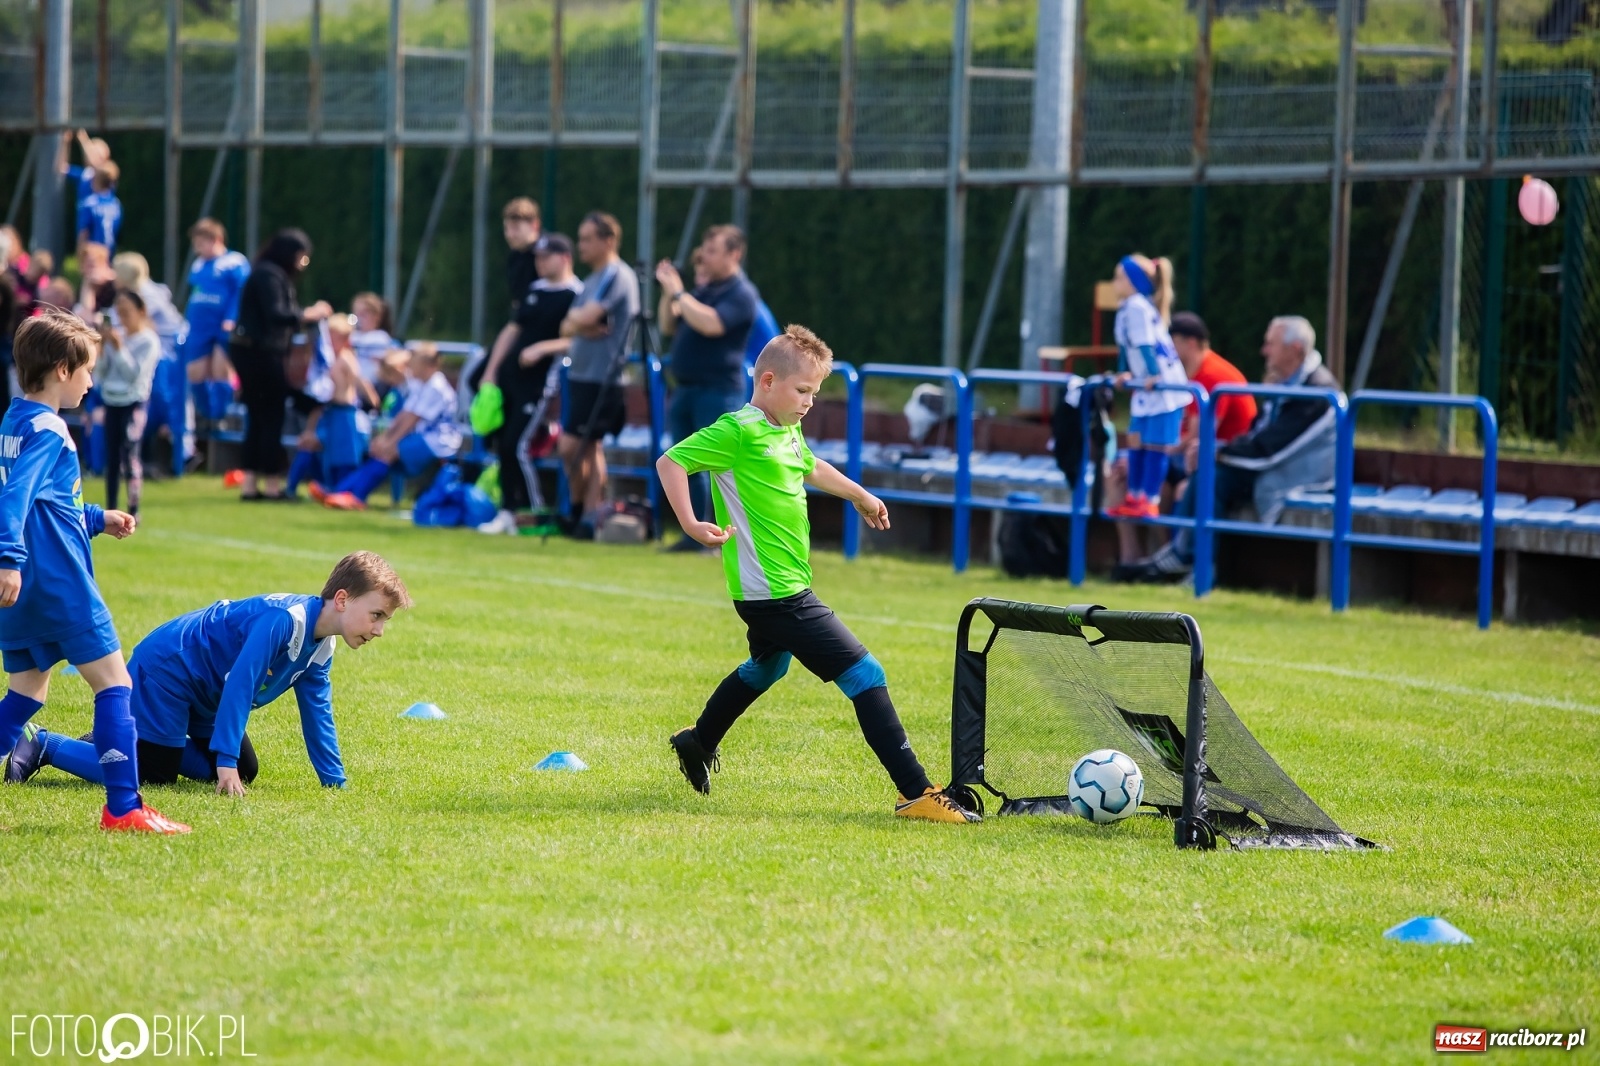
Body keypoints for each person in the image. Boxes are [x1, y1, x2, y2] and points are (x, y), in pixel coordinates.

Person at [655, 324, 981, 825]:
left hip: (782, 587)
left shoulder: (785, 429)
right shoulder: (738, 430)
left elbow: (811, 466)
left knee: (767, 667)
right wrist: (691, 523)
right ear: (767, 381)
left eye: (815, 392)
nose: (810, 401)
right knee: (866, 674)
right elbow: (671, 461)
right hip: (775, 594)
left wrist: (861, 495)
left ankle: (697, 741)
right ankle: (916, 792)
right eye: (803, 390)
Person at [4, 552, 410, 796]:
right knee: (156, 774)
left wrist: (334, 782)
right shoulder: (283, 621)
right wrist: (225, 761)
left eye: (384, 620)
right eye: (376, 615)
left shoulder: (323, 645)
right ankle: (44, 744)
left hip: (205, 694)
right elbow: (239, 684)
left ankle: (125, 739)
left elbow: (317, 715)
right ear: (342, 599)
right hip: (172, 671)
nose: (378, 629)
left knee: (246, 770)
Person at [0, 310, 187, 833]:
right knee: (114, 683)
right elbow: (13, 501)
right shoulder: (51, 429)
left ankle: (123, 805)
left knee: (26, 695)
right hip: (58, 586)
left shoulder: (13, 422)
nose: (91, 382)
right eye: (87, 370)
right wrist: (8, 559)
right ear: (62, 369)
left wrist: (96, 519)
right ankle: (124, 808)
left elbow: (43, 503)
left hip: (27, 592)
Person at [1134, 314, 1342, 582]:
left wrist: (1216, 451)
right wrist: (1216, 450)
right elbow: (1258, 434)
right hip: (1273, 468)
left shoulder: (1319, 393)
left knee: (1209, 472)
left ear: (1296, 350)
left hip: (1303, 478)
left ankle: (1193, 564)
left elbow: (1270, 450)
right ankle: (1185, 557)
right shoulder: (1285, 383)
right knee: (1207, 474)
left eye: (1271, 344)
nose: (1263, 351)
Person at [1108, 312, 1256, 570]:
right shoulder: (1174, 374)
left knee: (1160, 481)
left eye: (1169, 342)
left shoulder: (1212, 375)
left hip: (1220, 460)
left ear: (1190, 343)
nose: (1163, 349)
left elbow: (1195, 439)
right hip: (1186, 455)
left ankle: (1169, 561)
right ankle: (1132, 559)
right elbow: (1152, 425)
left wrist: (1148, 455)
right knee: (1120, 472)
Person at [656, 224, 760, 541]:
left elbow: (712, 324)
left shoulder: (741, 293)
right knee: (683, 463)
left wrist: (678, 292)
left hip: (717, 392)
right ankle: (693, 535)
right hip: (686, 389)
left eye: (713, 251)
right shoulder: (705, 289)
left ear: (735, 254)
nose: (705, 256)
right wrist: (668, 294)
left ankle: (711, 536)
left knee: (712, 470)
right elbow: (668, 324)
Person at [477, 232, 582, 535]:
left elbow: (577, 340)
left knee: (517, 445)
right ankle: (509, 512)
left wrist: (542, 349)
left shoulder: (576, 294)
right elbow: (512, 330)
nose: (538, 262)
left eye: (545, 256)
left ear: (563, 257)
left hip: (539, 382)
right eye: (536, 256)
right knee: (502, 445)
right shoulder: (534, 290)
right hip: (511, 376)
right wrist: (491, 370)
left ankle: (533, 514)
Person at [229, 229, 332, 501]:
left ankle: (251, 484)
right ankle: (271, 485)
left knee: (258, 418)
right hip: (261, 355)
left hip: (252, 354)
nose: (303, 264)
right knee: (271, 417)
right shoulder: (269, 275)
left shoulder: (265, 272)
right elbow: (277, 314)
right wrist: (310, 314)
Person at [558, 212, 639, 538]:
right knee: (588, 449)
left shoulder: (617, 276)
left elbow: (587, 316)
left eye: (588, 239)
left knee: (572, 447)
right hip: (581, 375)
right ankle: (586, 515)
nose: (582, 246)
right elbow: (567, 324)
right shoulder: (591, 279)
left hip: (602, 378)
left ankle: (588, 513)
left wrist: (582, 321)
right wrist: (582, 323)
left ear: (609, 240)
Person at [313, 343, 462, 510]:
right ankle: (341, 491)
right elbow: (404, 416)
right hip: (424, 438)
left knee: (387, 453)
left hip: (439, 442)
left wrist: (390, 443)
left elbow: (412, 420)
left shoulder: (436, 386)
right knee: (380, 452)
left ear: (427, 366)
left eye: (415, 362)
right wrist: (384, 439)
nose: (411, 366)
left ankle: (354, 496)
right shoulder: (422, 384)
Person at [1104, 253, 1189, 521]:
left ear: (1132, 281)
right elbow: (1126, 348)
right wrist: (1123, 372)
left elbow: (1145, 345)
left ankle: (1149, 500)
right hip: (1145, 388)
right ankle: (1134, 496)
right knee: (1136, 442)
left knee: (1154, 446)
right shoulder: (1128, 306)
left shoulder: (1137, 306)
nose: (1114, 282)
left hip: (1163, 389)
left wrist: (1152, 374)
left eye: (1119, 277)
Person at [288, 317, 378, 495]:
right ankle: (292, 489)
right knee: (309, 444)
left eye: (334, 337)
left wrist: (374, 401)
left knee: (344, 456)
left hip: (344, 414)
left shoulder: (344, 359)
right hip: (330, 412)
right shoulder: (327, 360)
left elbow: (359, 383)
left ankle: (341, 491)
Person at [94, 289, 160, 515]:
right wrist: (103, 348)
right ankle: (111, 506)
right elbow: (100, 374)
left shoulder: (148, 341)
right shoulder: (115, 336)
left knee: (130, 452)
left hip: (134, 402)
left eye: (127, 312)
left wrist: (119, 348)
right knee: (111, 456)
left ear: (140, 311)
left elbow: (134, 374)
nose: (122, 318)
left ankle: (133, 508)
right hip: (111, 400)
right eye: (119, 313)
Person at [180, 218, 251, 426]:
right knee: (196, 372)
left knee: (221, 369)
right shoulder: (199, 265)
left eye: (201, 243)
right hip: (200, 325)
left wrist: (231, 317)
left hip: (223, 325)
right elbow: (196, 293)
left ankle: (221, 415)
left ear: (216, 239)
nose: (198, 248)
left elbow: (240, 292)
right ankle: (206, 413)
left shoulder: (234, 262)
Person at [483, 197, 543, 400]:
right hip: (519, 327)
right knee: (478, 375)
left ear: (534, 225)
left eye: (516, 228)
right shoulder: (515, 258)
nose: (510, 235)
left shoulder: (544, 255)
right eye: (507, 229)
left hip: (541, 333)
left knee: (508, 374)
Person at [349, 292, 396, 391]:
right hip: (351, 385)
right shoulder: (351, 336)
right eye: (357, 313)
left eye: (364, 313)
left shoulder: (380, 337)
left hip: (374, 387)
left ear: (377, 316)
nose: (359, 317)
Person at [75, 163, 123, 257]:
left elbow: (84, 232)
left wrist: (80, 255)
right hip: (110, 252)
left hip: (92, 253)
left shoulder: (90, 203)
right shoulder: (116, 204)